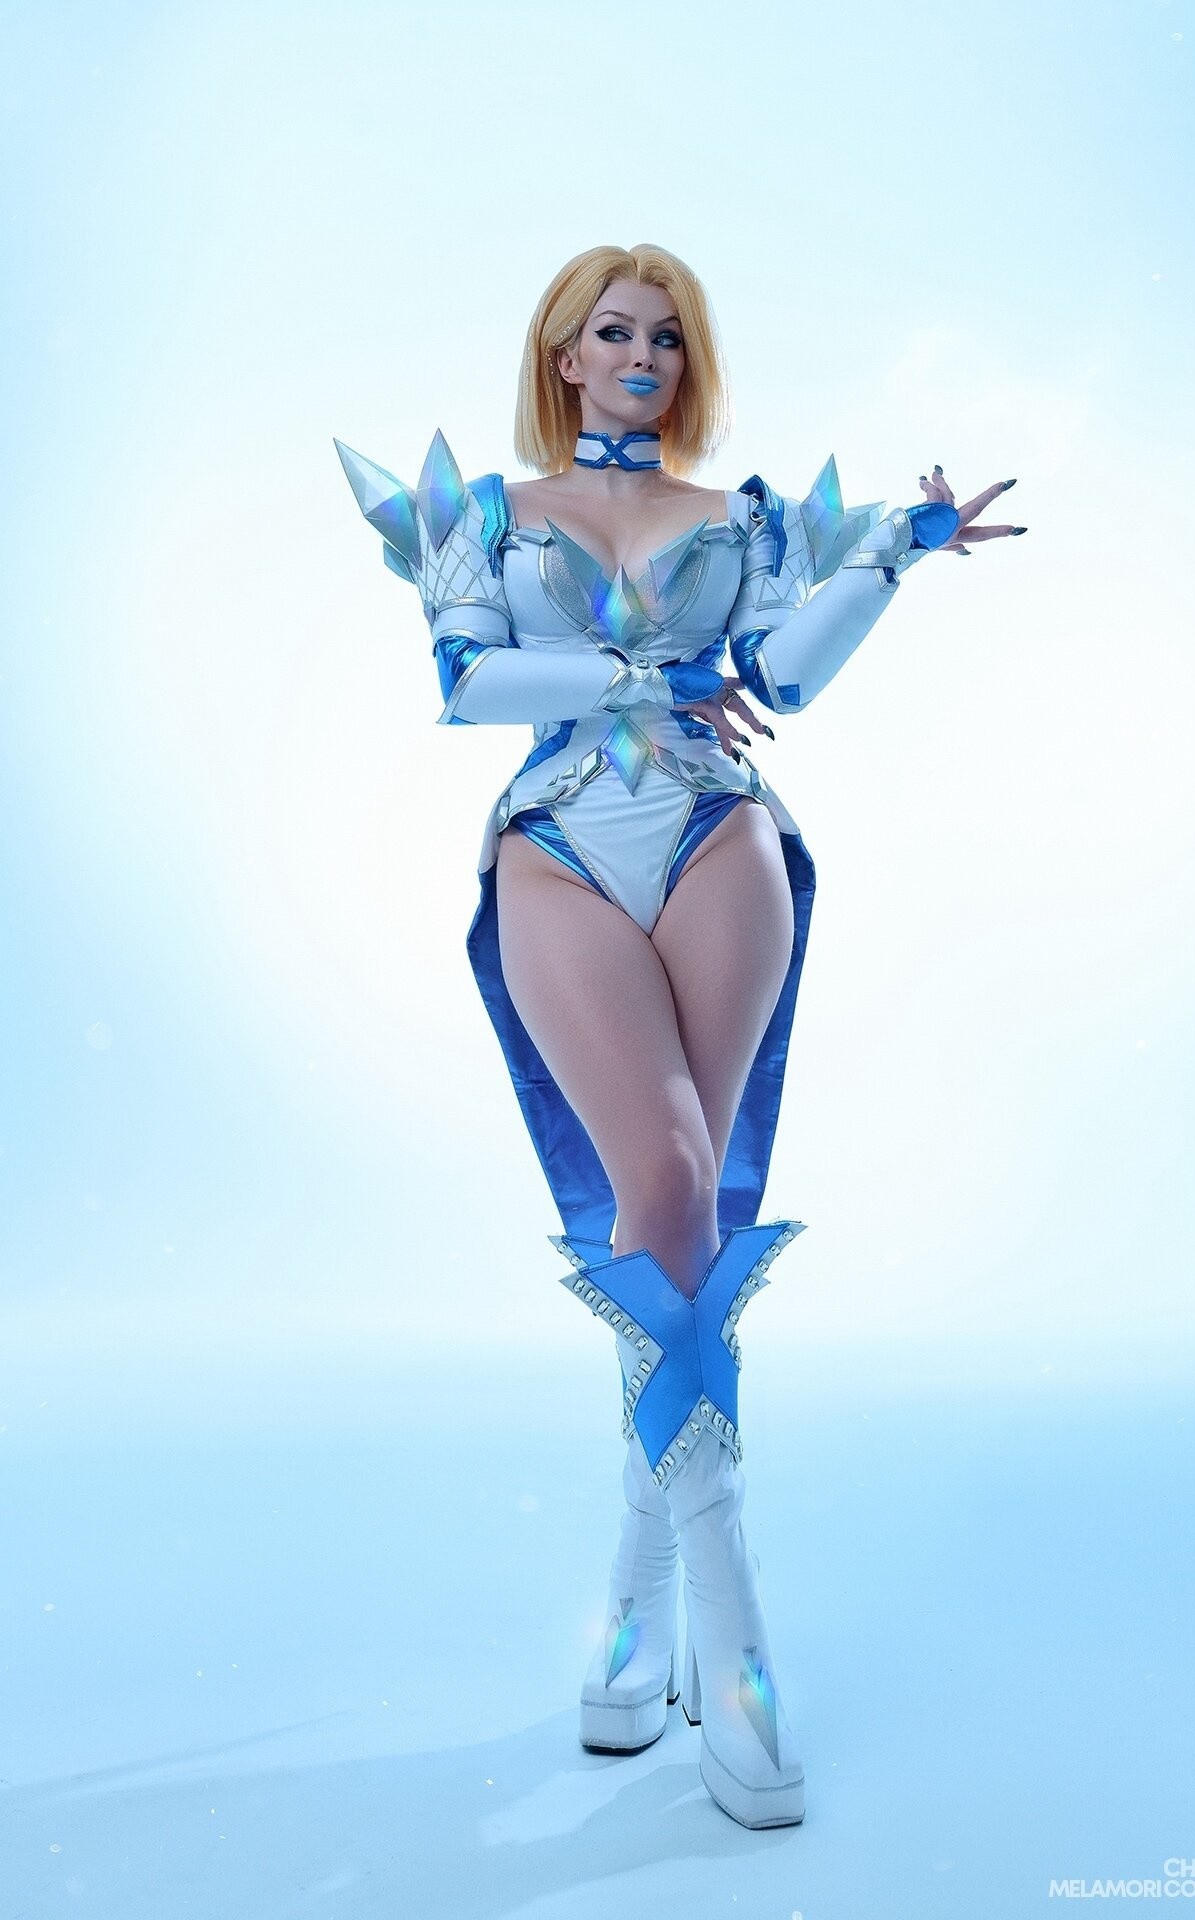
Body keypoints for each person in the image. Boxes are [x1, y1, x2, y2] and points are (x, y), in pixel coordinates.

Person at [335, 242, 1023, 1830]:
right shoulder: (483, 514)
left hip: (721, 834)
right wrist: (656, 676)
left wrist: (898, 554)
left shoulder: (744, 521)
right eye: (614, 332)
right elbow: (468, 681)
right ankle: (729, 1622)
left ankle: (640, 1618)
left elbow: (780, 676)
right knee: (656, 1174)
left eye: (666, 335)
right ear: (564, 355)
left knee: (689, 1216)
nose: (642, 354)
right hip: (559, 842)